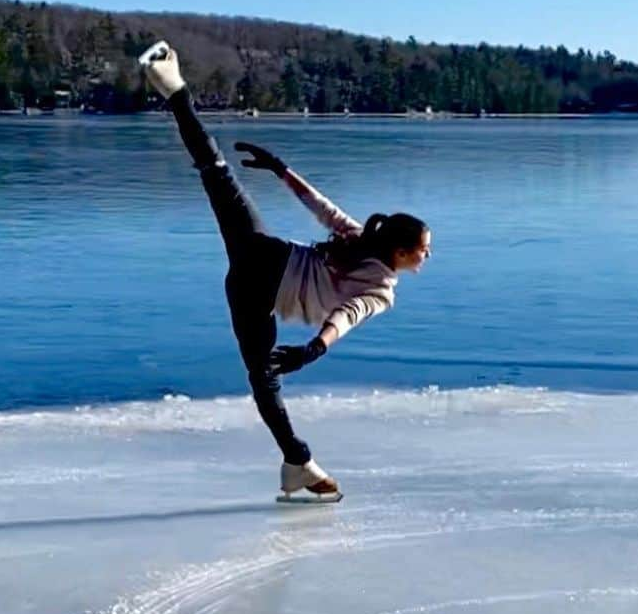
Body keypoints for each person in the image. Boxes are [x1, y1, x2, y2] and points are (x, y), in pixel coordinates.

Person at [139, 41, 431, 502]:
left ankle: (174, 90)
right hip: (263, 271)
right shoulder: (381, 284)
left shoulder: (363, 242)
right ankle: (297, 460)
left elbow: (324, 209)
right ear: (399, 250)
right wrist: (314, 348)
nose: (426, 257)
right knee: (264, 379)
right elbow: (348, 313)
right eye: (422, 250)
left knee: (215, 171)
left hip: (258, 267)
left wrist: (281, 170)